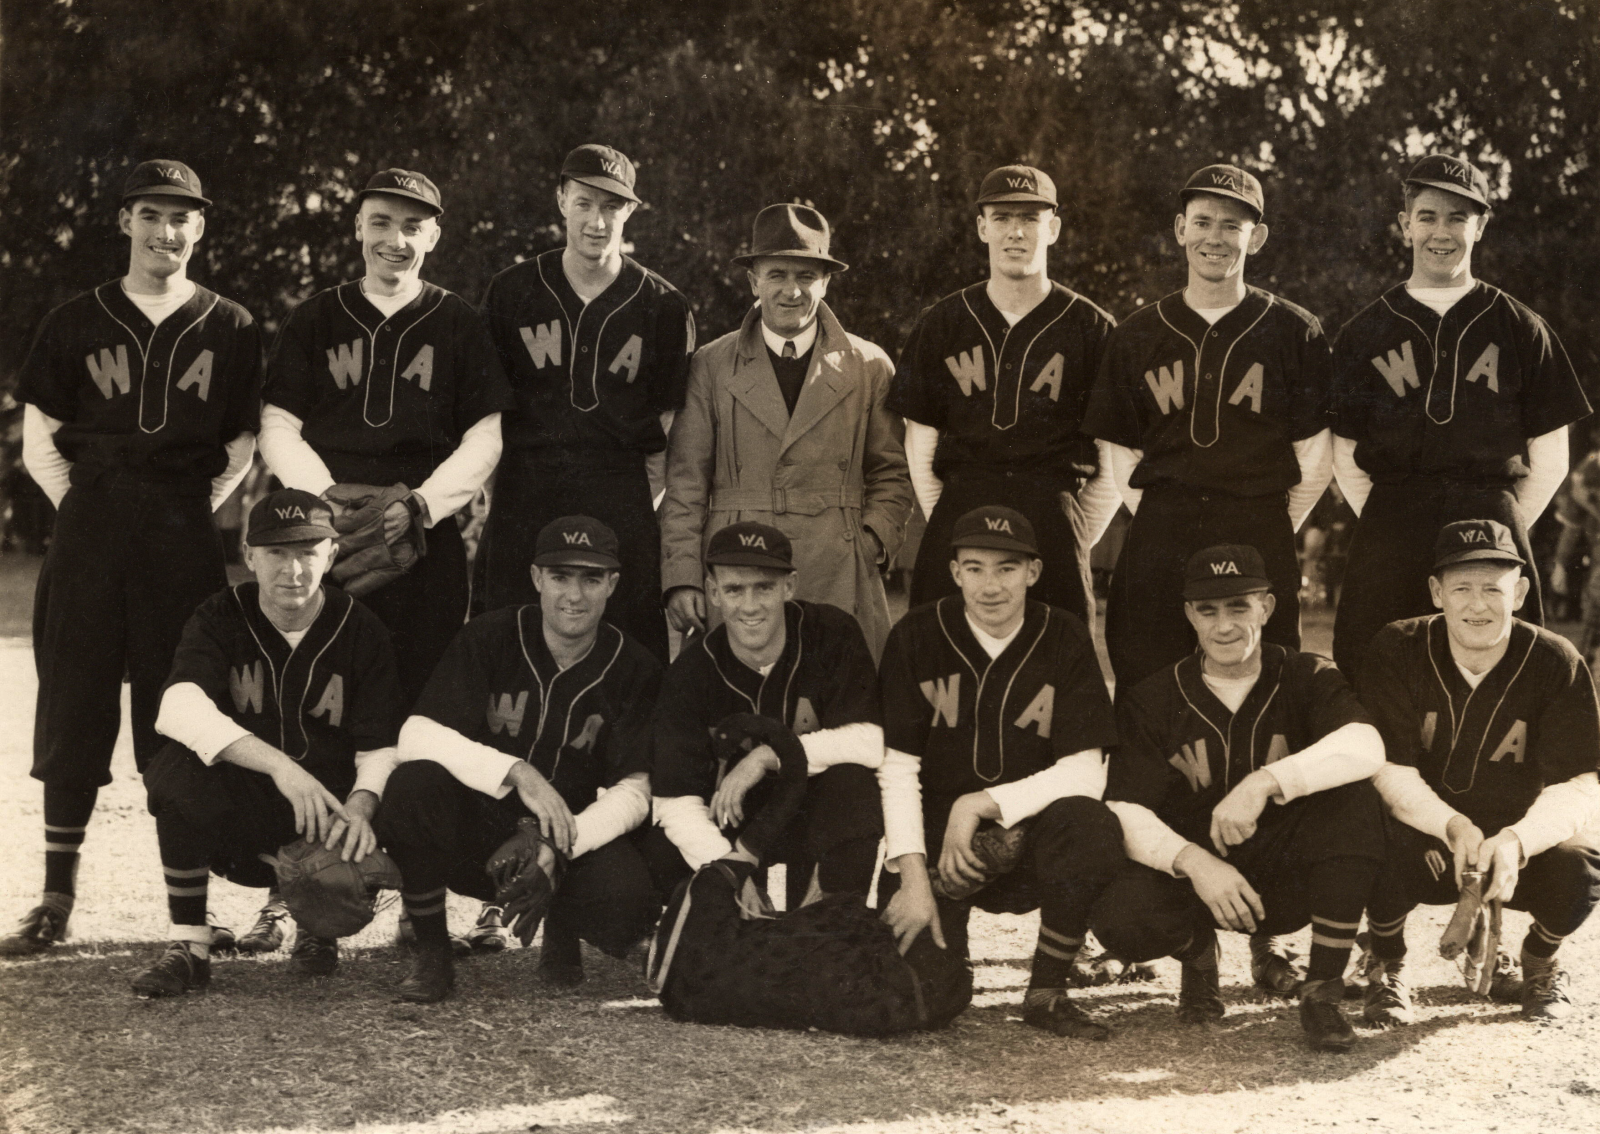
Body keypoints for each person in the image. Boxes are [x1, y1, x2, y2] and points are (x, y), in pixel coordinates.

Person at [2, 160, 262, 957]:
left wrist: (177, 511)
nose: (166, 231)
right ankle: (55, 897)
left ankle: (189, 906)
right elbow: (42, 445)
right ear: (125, 222)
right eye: (151, 214)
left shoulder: (232, 325)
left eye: (183, 217)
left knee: (178, 713)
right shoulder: (75, 320)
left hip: (181, 537)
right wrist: (93, 512)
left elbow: (239, 447)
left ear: (201, 229)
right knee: (73, 706)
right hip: (90, 533)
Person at [1082, 544, 1386, 1051]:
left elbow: (1366, 745)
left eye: (1238, 607)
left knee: (1354, 799)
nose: (1224, 626)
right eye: (1208, 610)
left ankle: (1322, 992)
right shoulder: (1154, 696)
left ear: (1266, 608)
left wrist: (1263, 782)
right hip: (1196, 885)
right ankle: (1197, 952)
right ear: (1189, 615)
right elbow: (1124, 806)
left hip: (1286, 877)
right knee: (1119, 913)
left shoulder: (1307, 675)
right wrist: (1198, 864)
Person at [375, 516, 665, 1002]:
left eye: (591, 579)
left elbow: (636, 789)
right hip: (484, 830)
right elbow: (417, 734)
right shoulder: (491, 636)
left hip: (572, 835)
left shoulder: (634, 665)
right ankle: (431, 951)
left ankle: (564, 928)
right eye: (560, 577)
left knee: (627, 900)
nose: (573, 595)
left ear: (612, 584)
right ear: (536, 578)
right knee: (412, 787)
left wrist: (560, 848)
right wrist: (518, 773)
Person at [129, 490, 402, 996]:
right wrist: (280, 767)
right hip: (244, 813)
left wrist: (362, 807)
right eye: (277, 552)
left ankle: (317, 930)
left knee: (388, 787)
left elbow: (380, 743)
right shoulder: (220, 614)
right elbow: (177, 707)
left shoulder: (360, 627)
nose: (292, 569)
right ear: (250, 555)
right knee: (172, 769)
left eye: (307, 552)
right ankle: (190, 945)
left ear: (332, 555)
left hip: (328, 817)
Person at [260, 168, 513, 709]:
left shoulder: (460, 322)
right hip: (329, 532)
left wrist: (422, 505)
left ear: (433, 237)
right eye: (381, 223)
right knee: (325, 691)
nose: (394, 241)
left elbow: (486, 435)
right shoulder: (314, 317)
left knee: (420, 691)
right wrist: (325, 500)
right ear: (357, 227)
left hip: (422, 534)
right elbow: (277, 424)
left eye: (412, 226)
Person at [1330, 154, 1590, 680]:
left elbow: (1552, 453)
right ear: (1405, 225)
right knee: (1376, 675)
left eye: (1457, 217)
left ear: (1481, 226)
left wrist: (1504, 524)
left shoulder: (1520, 326)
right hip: (1393, 520)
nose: (1440, 232)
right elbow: (1343, 449)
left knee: (1500, 680)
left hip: (1489, 518)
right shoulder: (1366, 330)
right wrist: (1387, 519)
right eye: (1427, 216)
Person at [876, 506, 1125, 1039]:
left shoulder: (1063, 635)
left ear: (1033, 572)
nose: (991, 585)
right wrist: (914, 879)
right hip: (939, 848)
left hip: (1033, 835)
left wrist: (981, 805)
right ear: (954, 571)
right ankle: (948, 952)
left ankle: (1047, 991)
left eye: (1007, 568)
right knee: (930, 997)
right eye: (975, 567)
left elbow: (1086, 771)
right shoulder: (917, 634)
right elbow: (897, 768)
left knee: (1090, 824)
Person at [1083, 164, 1333, 691]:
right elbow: (1121, 450)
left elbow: (1313, 452)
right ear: (1180, 229)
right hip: (1162, 526)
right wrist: (1159, 515)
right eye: (1202, 222)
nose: (1214, 238)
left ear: (1256, 237)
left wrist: (1270, 518)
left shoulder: (1295, 331)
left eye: (1230, 225)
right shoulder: (1137, 333)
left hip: (1258, 523)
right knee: (1148, 676)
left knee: (1264, 680)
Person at [1358, 519, 1600, 1023]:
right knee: (1362, 837)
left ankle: (1539, 959)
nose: (1477, 604)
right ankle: (1388, 961)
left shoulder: (1556, 660)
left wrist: (1517, 840)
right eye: (1461, 588)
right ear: (1435, 592)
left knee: (1582, 866)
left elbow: (1578, 784)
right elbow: (1386, 767)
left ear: (1520, 592)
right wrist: (1451, 824)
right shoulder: (1398, 647)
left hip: (1513, 844)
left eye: (1493, 588)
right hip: (1428, 837)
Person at [660, 204, 912, 659]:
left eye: (806, 275)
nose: (791, 290)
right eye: (776, 274)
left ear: (826, 281)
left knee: (841, 711)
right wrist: (682, 576)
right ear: (754, 280)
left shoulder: (869, 365)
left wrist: (870, 542)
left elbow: (893, 474)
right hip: (741, 569)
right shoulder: (712, 366)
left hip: (838, 567)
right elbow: (685, 483)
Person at [478, 144, 695, 661]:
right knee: (504, 639)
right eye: (584, 204)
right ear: (560, 201)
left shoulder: (663, 304)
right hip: (524, 486)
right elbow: (487, 413)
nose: (597, 222)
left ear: (630, 212)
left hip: (618, 488)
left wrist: (639, 498)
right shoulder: (511, 291)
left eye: (612, 207)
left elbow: (667, 423)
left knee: (628, 649)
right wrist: (497, 496)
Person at [886, 165, 1120, 626]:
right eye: (1003, 217)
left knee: (1057, 663)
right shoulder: (942, 322)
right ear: (982, 227)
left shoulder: (1093, 328)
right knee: (940, 662)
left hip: (1052, 509)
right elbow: (921, 447)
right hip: (960, 508)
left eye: (1030, 219)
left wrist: (1072, 531)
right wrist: (954, 518)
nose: (1016, 232)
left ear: (1052, 228)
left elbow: (1112, 460)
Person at [649, 522, 885, 911]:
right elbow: (674, 798)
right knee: (663, 847)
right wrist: (724, 870)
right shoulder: (691, 670)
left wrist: (769, 755)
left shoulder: (831, 631)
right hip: (735, 817)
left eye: (764, 587)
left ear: (789, 586)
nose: (750, 605)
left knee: (854, 785)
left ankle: (826, 925)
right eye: (734, 589)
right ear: (712, 593)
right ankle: (730, 931)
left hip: (816, 808)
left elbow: (871, 740)